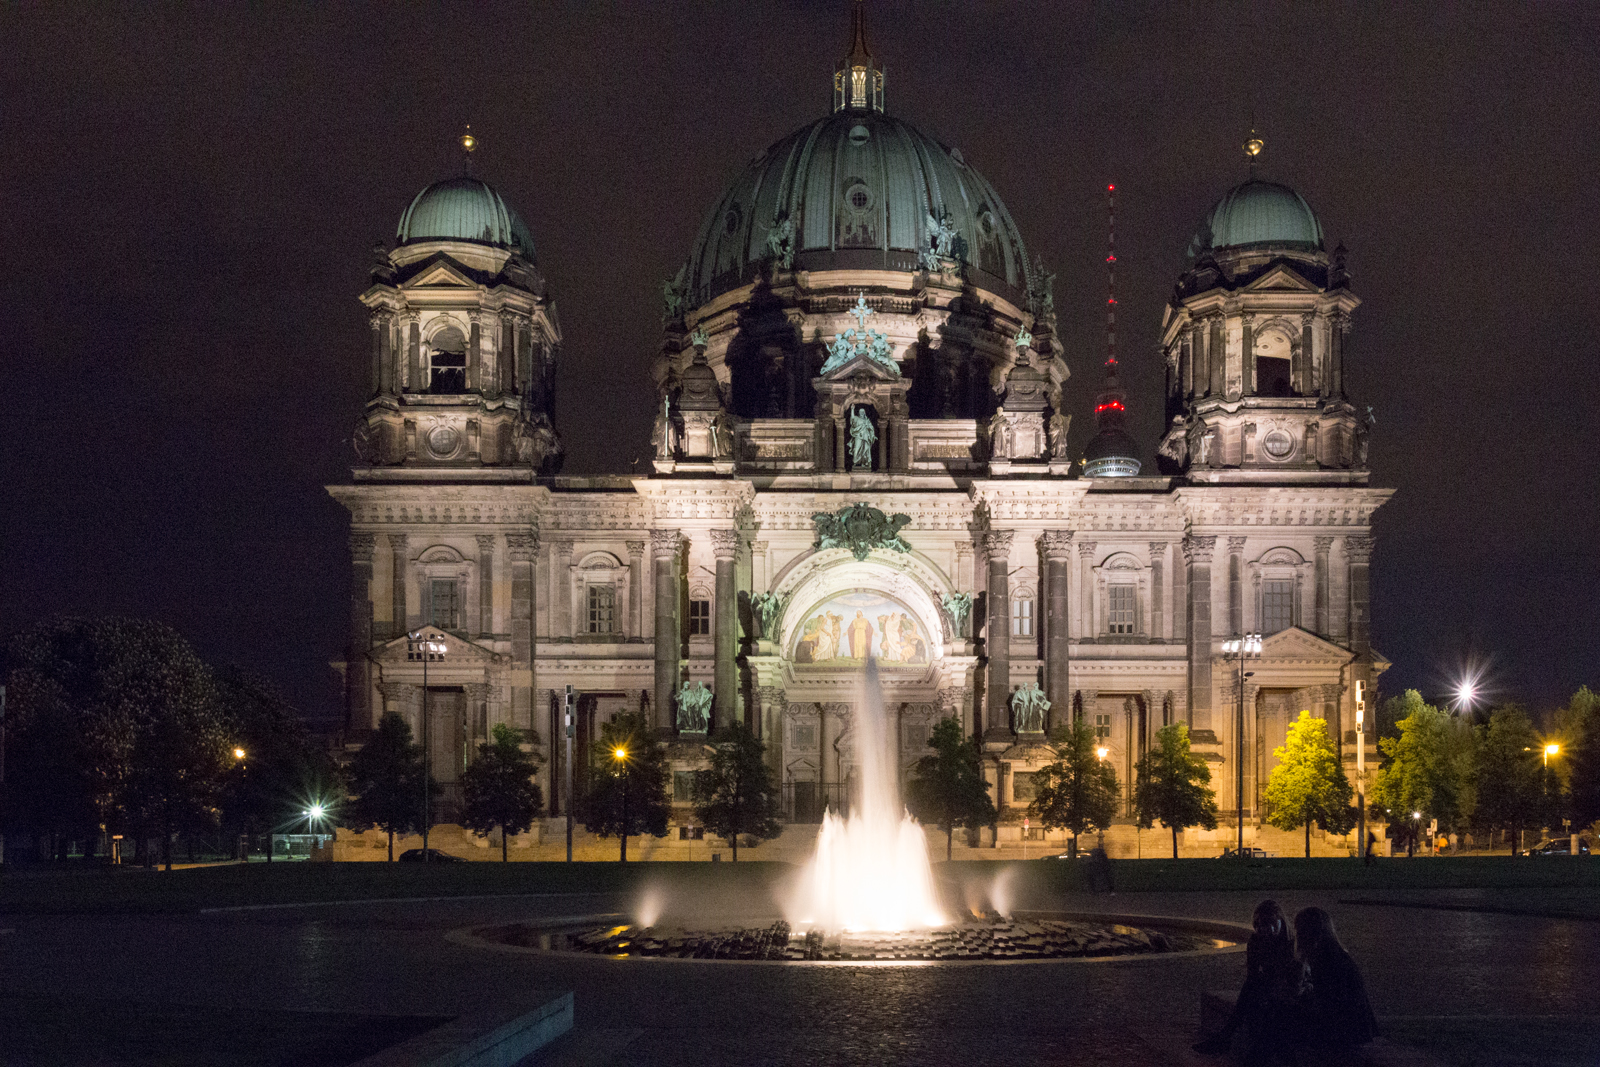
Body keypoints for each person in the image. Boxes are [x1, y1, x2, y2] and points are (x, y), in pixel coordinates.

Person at [1194, 900, 1301, 1060]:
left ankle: (1228, 1038)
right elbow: (1253, 974)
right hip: (1269, 985)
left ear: (1280, 920)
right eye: (1258, 925)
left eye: (1269, 923)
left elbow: (1291, 977)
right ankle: (1233, 1040)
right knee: (1251, 989)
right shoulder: (1258, 940)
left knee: (1255, 993)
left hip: (1291, 988)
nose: (1263, 929)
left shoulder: (1292, 944)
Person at [1292, 907, 1378, 1049]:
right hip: (1353, 1026)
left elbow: (1325, 1002)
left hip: (1344, 1030)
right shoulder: (1332, 952)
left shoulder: (1326, 959)